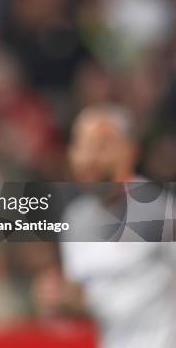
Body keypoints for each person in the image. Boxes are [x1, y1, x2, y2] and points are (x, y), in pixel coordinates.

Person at [34, 105, 176, 348]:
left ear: (131, 151)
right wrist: (59, 301)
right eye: (81, 146)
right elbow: (88, 305)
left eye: (101, 146)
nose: (90, 158)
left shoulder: (161, 212)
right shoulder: (75, 220)